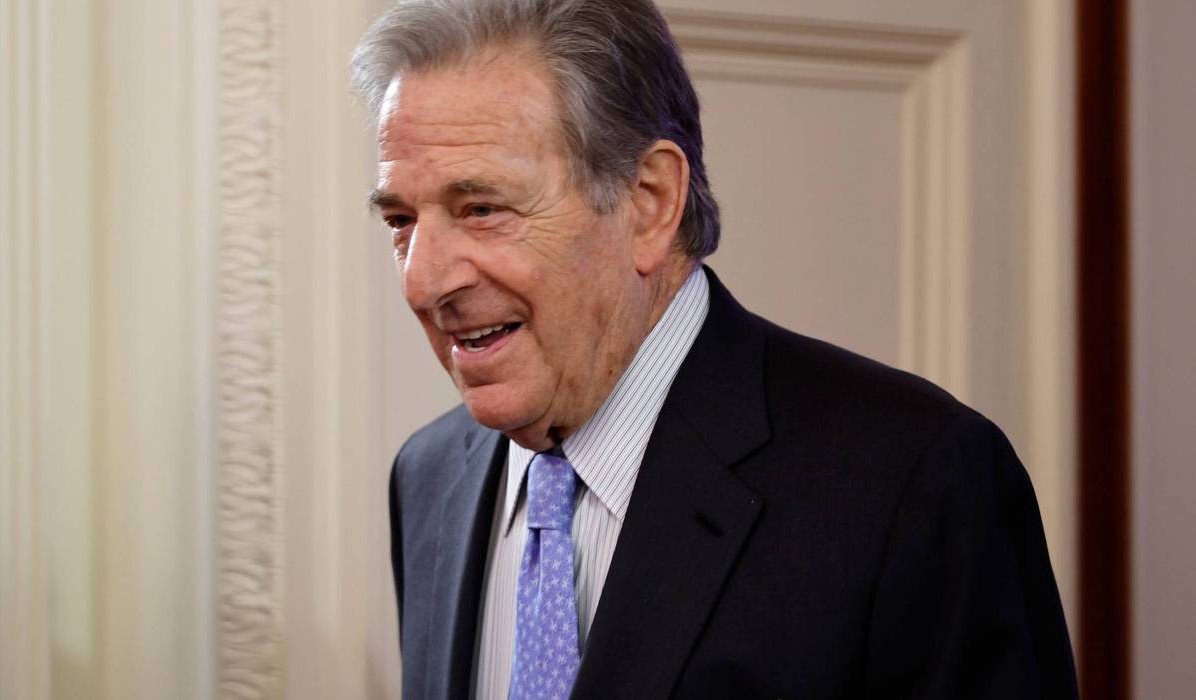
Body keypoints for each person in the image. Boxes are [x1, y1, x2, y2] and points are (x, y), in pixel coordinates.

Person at [352, 0, 1079, 698]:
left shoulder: (912, 480)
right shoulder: (428, 477)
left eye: (481, 209)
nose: (423, 278)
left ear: (648, 200)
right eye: (400, 219)